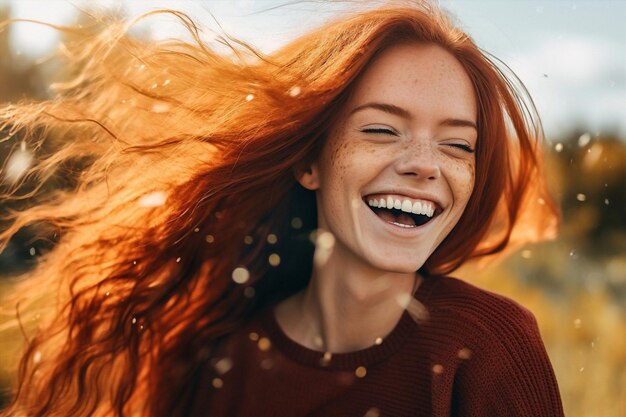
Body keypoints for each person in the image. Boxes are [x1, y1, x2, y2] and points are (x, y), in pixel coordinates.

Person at [0, 2, 563, 416]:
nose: (424, 164)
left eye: (457, 144)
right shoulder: (224, 362)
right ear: (309, 164)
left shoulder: (488, 344)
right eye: (381, 130)